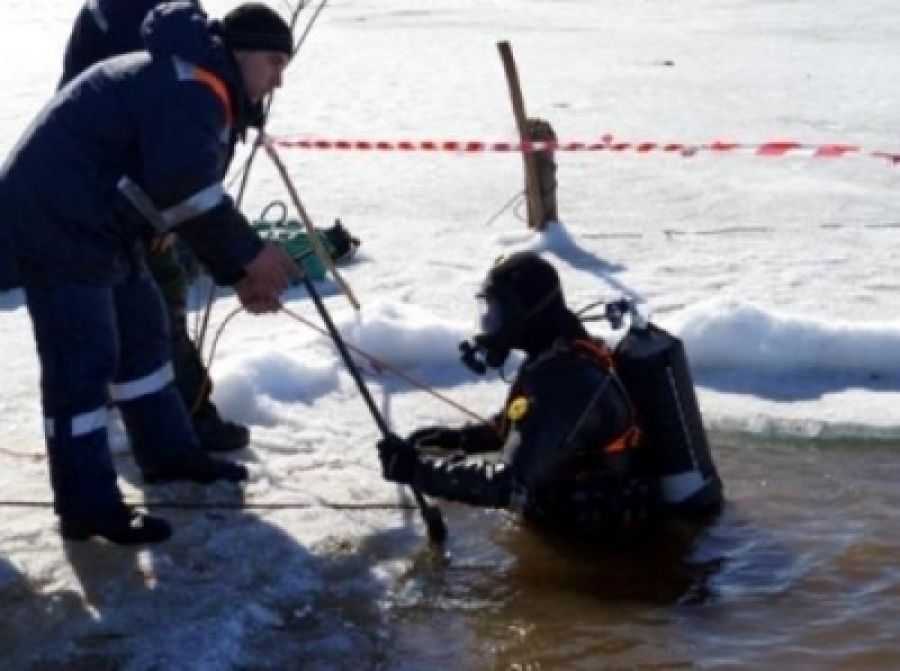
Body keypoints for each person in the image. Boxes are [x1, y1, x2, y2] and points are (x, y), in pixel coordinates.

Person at [0, 2, 301, 544]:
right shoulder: (194, 85)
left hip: (105, 222)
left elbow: (174, 186)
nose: (278, 80)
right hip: (57, 223)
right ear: (239, 51)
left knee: (144, 338)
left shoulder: (199, 82)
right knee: (83, 362)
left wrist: (238, 272)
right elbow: (189, 189)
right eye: (274, 61)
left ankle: (170, 456)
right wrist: (251, 259)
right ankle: (86, 507)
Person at [378, 252, 723, 540]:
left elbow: (513, 485)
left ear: (524, 315)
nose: (490, 325)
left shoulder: (570, 381)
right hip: (580, 530)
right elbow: (525, 423)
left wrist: (419, 470)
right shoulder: (555, 355)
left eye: (498, 313)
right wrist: (459, 439)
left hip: (606, 552)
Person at [58, 0, 255, 454]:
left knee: (140, 303)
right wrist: (163, 205)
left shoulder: (167, 10)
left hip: (118, 183)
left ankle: (162, 411)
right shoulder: (134, 12)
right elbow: (160, 110)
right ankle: (186, 416)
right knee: (155, 302)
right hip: (116, 189)